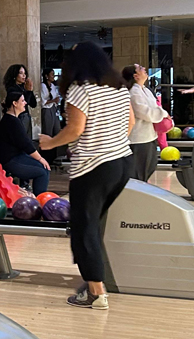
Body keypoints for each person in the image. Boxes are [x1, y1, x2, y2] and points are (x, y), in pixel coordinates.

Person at [40, 41, 135, 310]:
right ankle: (94, 281)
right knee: (95, 224)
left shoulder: (80, 89)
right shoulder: (118, 88)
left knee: (84, 228)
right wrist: (112, 144)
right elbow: (130, 122)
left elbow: (75, 129)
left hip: (93, 168)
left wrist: (50, 143)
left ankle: (96, 292)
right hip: (122, 163)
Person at [0, 92, 51, 195]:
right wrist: (40, 158)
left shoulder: (13, 119)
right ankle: (40, 201)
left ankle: (40, 199)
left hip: (16, 156)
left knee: (44, 168)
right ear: (15, 103)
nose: (25, 103)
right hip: (10, 160)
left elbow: (25, 143)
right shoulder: (11, 121)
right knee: (42, 172)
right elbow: (26, 144)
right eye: (23, 101)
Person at [124, 64, 168, 182]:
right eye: (141, 68)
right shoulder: (133, 92)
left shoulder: (146, 90)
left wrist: (162, 114)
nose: (145, 69)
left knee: (149, 168)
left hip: (149, 137)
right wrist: (163, 114)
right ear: (136, 75)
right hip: (138, 139)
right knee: (138, 173)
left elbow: (155, 108)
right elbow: (145, 113)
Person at [3, 64, 37, 138]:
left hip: (26, 115)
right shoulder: (12, 89)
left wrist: (30, 91)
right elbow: (23, 103)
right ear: (15, 75)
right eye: (21, 73)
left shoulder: (24, 87)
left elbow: (33, 104)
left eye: (24, 73)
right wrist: (28, 91)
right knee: (21, 139)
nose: (24, 76)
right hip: (19, 116)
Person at [40, 69, 62, 163]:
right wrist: (53, 100)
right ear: (46, 76)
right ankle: (46, 157)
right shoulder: (43, 86)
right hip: (47, 109)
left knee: (56, 131)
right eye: (52, 74)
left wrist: (56, 101)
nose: (53, 76)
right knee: (47, 132)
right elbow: (43, 102)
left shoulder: (53, 86)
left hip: (53, 109)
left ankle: (54, 155)